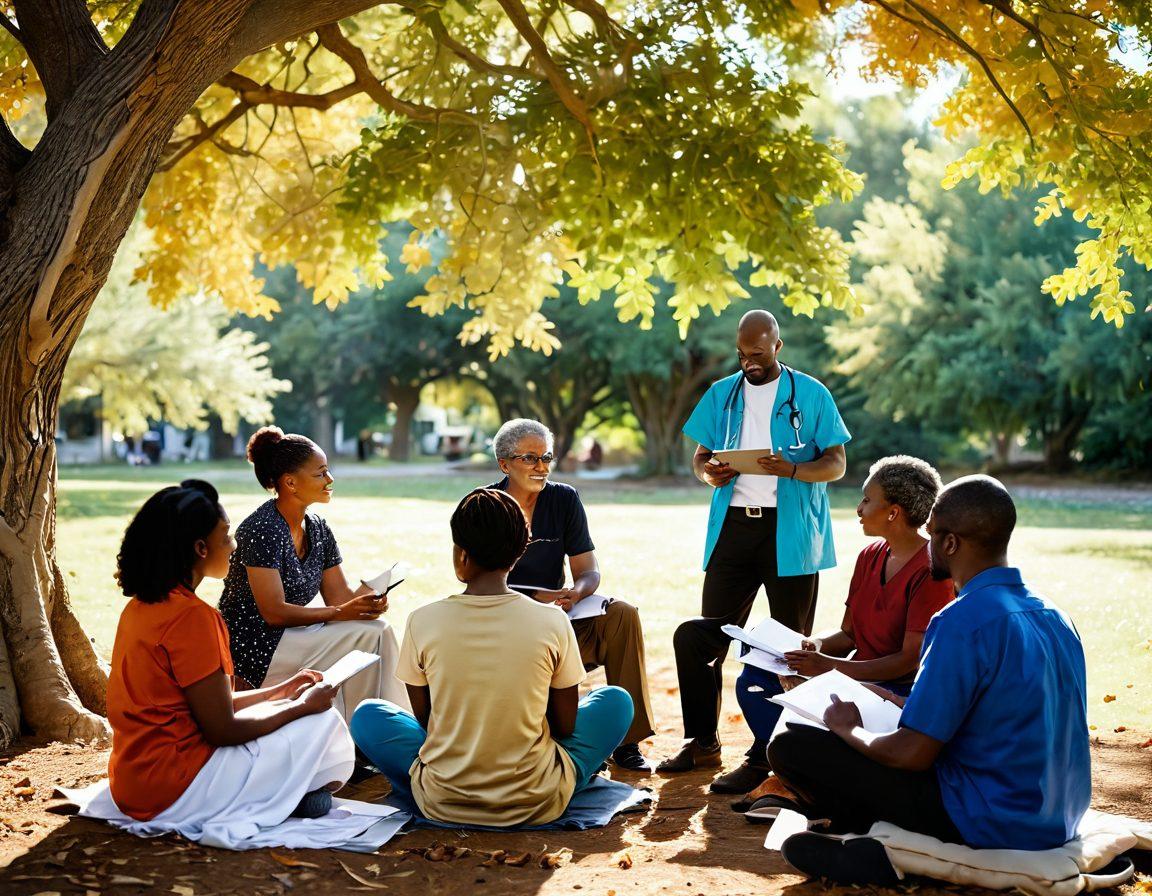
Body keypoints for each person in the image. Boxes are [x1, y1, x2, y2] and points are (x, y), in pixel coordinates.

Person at [771, 476, 1091, 885]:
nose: (926, 542)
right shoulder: (1055, 615)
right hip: (1058, 815)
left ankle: (885, 849)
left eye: (932, 532)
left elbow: (911, 755)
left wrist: (847, 729)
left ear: (951, 544)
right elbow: (994, 711)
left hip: (991, 820)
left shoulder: (961, 619)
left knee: (792, 745)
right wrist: (885, 696)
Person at [350, 488, 634, 827]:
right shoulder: (552, 620)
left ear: (461, 556)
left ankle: (428, 784)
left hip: (443, 798)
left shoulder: (422, 619)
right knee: (616, 701)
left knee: (368, 715)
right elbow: (565, 726)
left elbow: (427, 722)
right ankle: (567, 782)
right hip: (537, 797)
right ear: (517, 556)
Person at [661, 309, 851, 783]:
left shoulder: (811, 393)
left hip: (791, 533)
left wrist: (790, 470)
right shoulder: (721, 393)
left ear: (778, 346)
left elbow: (836, 463)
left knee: (784, 650)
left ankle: (768, 755)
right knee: (711, 638)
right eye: (743, 355)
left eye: (759, 354)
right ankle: (701, 743)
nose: (749, 363)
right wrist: (710, 472)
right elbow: (701, 458)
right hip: (734, 530)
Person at [103, 479, 346, 830]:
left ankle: (288, 792)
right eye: (227, 535)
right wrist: (302, 706)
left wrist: (283, 690)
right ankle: (289, 795)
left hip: (133, 782)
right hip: (177, 787)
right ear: (201, 548)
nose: (234, 546)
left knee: (287, 712)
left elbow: (206, 706)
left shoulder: (141, 608)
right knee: (319, 721)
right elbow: (222, 729)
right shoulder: (195, 618)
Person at [730, 456, 955, 803]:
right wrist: (810, 646)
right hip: (852, 676)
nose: (859, 508)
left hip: (894, 691)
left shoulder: (930, 571)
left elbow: (909, 661)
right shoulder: (870, 556)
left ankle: (805, 780)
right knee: (755, 681)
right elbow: (848, 635)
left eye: (867, 500)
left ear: (893, 512)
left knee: (809, 714)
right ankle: (794, 773)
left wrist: (828, 668)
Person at [486, 418, 656, 771]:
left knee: (622, 613)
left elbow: (588, 570)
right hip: (506, 628)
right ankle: (553, 737)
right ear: (504, 464)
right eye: (530, 458)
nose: (542, 467)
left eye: (546, 457)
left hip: (559, 619)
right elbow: (476, 580)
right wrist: (536, 598)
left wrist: (575, 594)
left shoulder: (564, 498)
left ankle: (627, 742)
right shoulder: (485, 504)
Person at [218, 426, 407, 721]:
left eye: (328, 471)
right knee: (373, 636)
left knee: (376, 629)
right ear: (290, 482)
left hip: (294, 636)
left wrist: (368, 601)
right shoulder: (262, 529)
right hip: (256, 648)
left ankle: (383, 728)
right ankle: (374, 731)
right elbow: (274, 613)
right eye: (320, 473)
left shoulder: (318, 528)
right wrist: (340, 612)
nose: (330, 479)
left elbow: (340, 597)